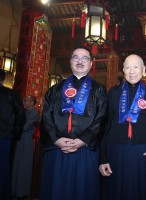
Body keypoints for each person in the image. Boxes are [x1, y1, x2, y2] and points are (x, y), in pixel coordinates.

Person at [40, 46, 107, 200]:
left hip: (85, 149)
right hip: (57, 150)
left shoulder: (99, 89)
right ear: (70, 62)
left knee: (83, 192)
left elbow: (101, 118)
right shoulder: (55, 89)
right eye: (75, 57)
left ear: (91, 64)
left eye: (84, 58)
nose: (80, 61)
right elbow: (46, 116)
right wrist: (56, 140)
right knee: (56, 191)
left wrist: (83, 140)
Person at [99, 54, 146, 200]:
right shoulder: (113, 93)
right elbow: (105, 126)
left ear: (143, 70)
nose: (132, 71)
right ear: (123, 70)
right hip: (116, 151)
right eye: (128, 67)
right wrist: (103, 158)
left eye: (136, 67)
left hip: (143, 152)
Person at [0, 69, 25, 200]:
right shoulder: (11, 94)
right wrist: (16, 133)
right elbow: (21, 115)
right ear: (3, 79)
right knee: (3, 166)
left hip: (5, 135)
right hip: (5, 135)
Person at [11, 95, 40, 200]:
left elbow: (26, 127)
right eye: (23, 100)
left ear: (32, 102)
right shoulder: (25, 112)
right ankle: (15, 190)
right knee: (17, 164)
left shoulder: (35, 113)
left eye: (25, 101)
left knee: (24, 166)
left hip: (28, 142)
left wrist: (11, 127)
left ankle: (23, 192)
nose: (23, 103)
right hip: (20, 140)